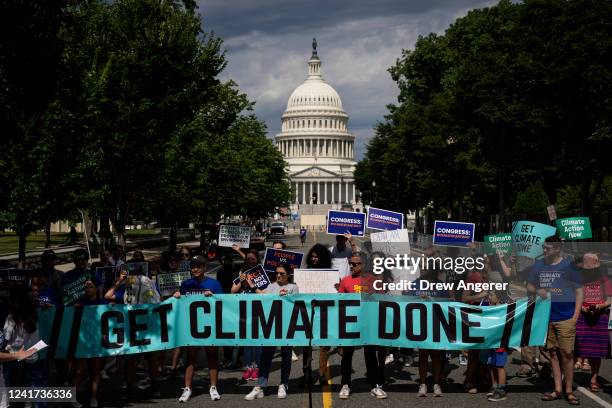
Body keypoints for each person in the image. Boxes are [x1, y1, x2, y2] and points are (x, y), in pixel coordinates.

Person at [528, 236, 582, 405]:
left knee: (567, 353)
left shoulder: (569, 266)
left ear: (557, 249)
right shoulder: (539, 265)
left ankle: (569, 391)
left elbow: (579, 291)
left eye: (547, 248)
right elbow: (529, 286)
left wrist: (575, 316)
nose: (544, 250)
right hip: (546, 316)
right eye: (543, 247)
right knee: (552, 353)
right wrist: (538, 290)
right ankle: (557, 389)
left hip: (566, 316)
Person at [337, 251, 387, 399]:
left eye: (355, 264)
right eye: (350, 263)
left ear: (363, 265)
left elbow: (382, 297)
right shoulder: (345, 281)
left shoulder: (372, 279)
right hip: (350, 324)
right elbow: (340, 302)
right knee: (347, 355)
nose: (352, 266)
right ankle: (345, 384)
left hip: (368, 323)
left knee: (370, 354)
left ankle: (374, 385)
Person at [244, 264, 298, 400]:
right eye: (277, 273)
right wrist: (252, 285)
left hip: (286, 328)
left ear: (288, 275)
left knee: (286, 356)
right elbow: (263, 296)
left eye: (282, 273)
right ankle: (261, 386)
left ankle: (283, 384)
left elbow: (296, 304)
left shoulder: (293, 287)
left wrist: (287, 297)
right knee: (266, 356)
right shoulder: (271, 286)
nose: (278, 275)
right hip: (271, 327)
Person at [175, 255, 223, 402]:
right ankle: (187, 388)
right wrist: (177, 296)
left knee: (212, 357)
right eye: (193, 266)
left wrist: (213, 297)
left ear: (204, 268)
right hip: (192, 328)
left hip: (210, 326)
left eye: (198, 266)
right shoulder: (186, 284)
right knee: (190, 359)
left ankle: (213, 387)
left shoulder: (214, 284)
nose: (195, 269)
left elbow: (223, 304)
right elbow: (181, 305)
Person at [2, 290, 46, 408]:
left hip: (15, 358)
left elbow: (6, 338)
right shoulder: (34, 315)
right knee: (35, 388)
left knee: (13, 390)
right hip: (33, 357)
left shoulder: (11, 319)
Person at [574, 253, 610, 393]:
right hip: (583, 316)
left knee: (596, 352)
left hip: (599, 316)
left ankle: (594, 379)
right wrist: (582, 307)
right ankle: (573, 371)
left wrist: (599, 307)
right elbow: (575, 296)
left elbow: (609, 300)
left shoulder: (605, 280)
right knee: (578, 347)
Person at [74, 280, 107, 408]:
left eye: (90, 287)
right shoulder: (80, 303)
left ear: (96, 288)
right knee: (79, 371)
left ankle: (94, 398)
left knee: (95, 371)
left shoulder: (103, 303)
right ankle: (73, 398)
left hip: (97, 343)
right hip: (82, 342)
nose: (87, 289)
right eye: (85, 287)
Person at [303, 244, 333, 386]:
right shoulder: (305, 272)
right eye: (313, 256)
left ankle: (322, 374)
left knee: (324, 347)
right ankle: (306, 374)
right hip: (308, 314)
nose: (314, 259)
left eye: (317, 257)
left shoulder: (330, 274)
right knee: (306, 346)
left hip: (325, 314)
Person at [231, 250, 262, 382]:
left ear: (257, 260)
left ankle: (257, 367)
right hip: (243, 310)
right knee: (247, 341)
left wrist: (251, 285)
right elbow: (232, 292)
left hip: (257, 310)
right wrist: (241, 281)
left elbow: (264, 293)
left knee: (257, 341)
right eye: (248, 259)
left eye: (253, 259)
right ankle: (248, 367)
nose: (250, 261)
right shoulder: (241, 272)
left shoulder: (261, 273)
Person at [480, 290, 509, 402]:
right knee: (491, 364)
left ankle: (501, 390)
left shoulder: (503, 309)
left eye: (491, 295)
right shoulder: (488, 307)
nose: (489, 297)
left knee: (499, 365)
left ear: (499, 297)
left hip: (500, 342)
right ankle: (494, 385)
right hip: (491, 342)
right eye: (488, 295)